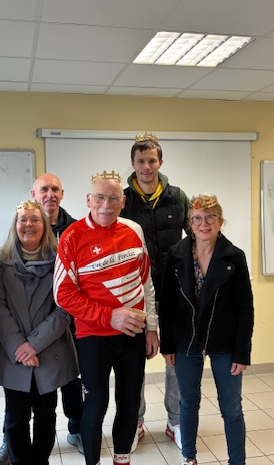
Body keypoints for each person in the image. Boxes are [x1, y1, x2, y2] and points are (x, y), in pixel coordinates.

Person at [53, 170, 159, 465]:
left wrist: (152, 328)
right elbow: (63, 294)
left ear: (123, 201)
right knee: (96, 404)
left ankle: (122, 459)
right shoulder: (72, 236)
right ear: (89, 199)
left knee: (129, 403)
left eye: (113, 198)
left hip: (133, 333)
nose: (106, 205)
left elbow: (146, 283)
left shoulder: (134, 230)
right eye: (100, 197)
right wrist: (109, 316)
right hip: (93, 337)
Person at [0, 173, 84, 465]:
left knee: (46, 415)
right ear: (15, 225)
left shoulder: (61, 260)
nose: (28, 224)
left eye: (35, 220)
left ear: (45, 226)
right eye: (23, 220)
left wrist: (34, 344)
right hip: (14, 353)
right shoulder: (1, 261)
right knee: (15, 418)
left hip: (49, 350)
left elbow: (65, 308)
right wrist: (20, 345)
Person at [158, 194, 254, 465]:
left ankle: (237, 461)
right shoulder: (176, 254)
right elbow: (166, 305)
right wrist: (167, 345)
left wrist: (242, 352)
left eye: (211, 217)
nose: (204, 223)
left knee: (231, 408)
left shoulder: (234, 256)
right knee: (188, 403)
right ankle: (188, 457)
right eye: (197, 218)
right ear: (190, 223)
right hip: (186, 340)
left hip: (225, 342)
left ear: (220, 221)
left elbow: (245, 308)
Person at [120, 132, 189, 450]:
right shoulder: (122, 200)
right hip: (134, 296)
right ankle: (135, 423)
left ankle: (175, 421)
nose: (146, 167)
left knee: (175, 361)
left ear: (160, 162)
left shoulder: (178, 197)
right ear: (133, 163)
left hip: (174, 293)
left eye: (151, 160)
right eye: (140, 161)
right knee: (134, 364)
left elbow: (197, 235)